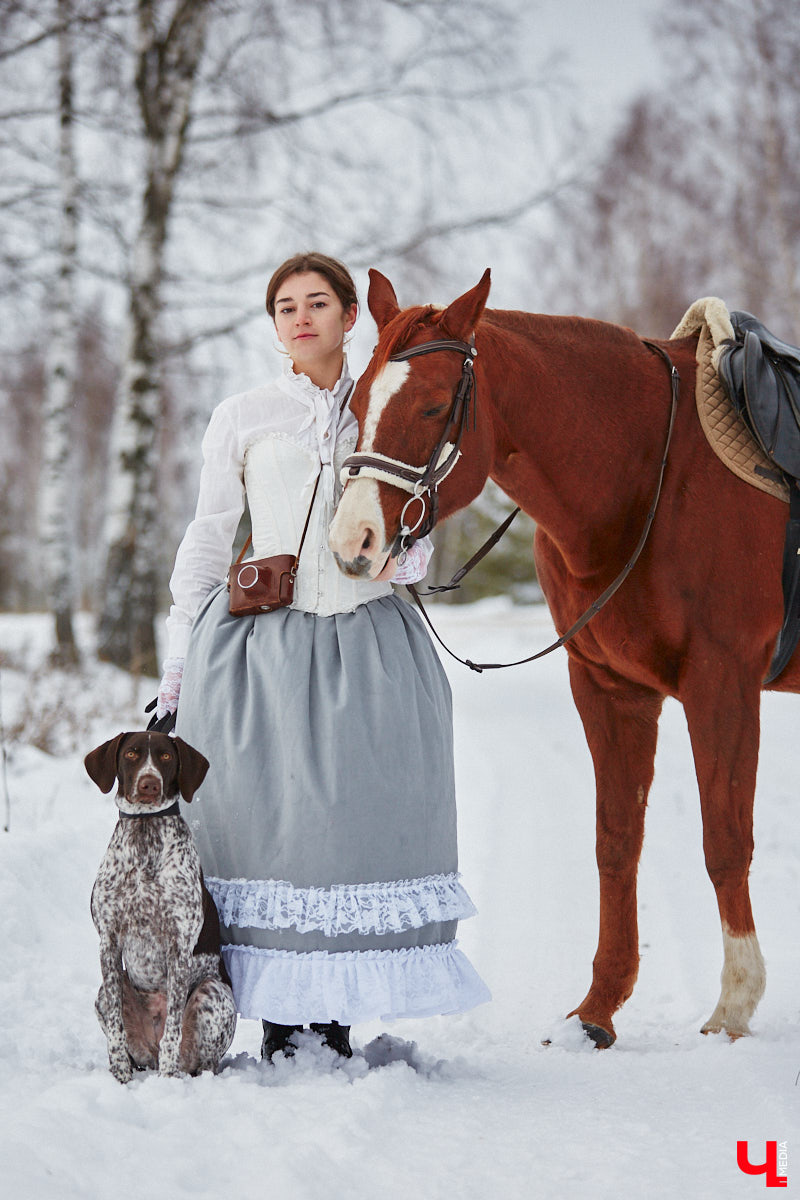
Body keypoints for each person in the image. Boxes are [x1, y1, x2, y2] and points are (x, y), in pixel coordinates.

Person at [156, 251, 489, 1062]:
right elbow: (207, 540)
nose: (300, 318)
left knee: (350, 827)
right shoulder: (243, 414)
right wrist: (176, 660)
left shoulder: (382, 405)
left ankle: (334, 1015)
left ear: (350, 317)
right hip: (259, 648)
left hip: (368, 643)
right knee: (268, 830)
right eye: (284, 307)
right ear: (274, 327)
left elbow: (416, 537)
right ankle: (277, 1017)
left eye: (317, 303)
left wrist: (395, 560)